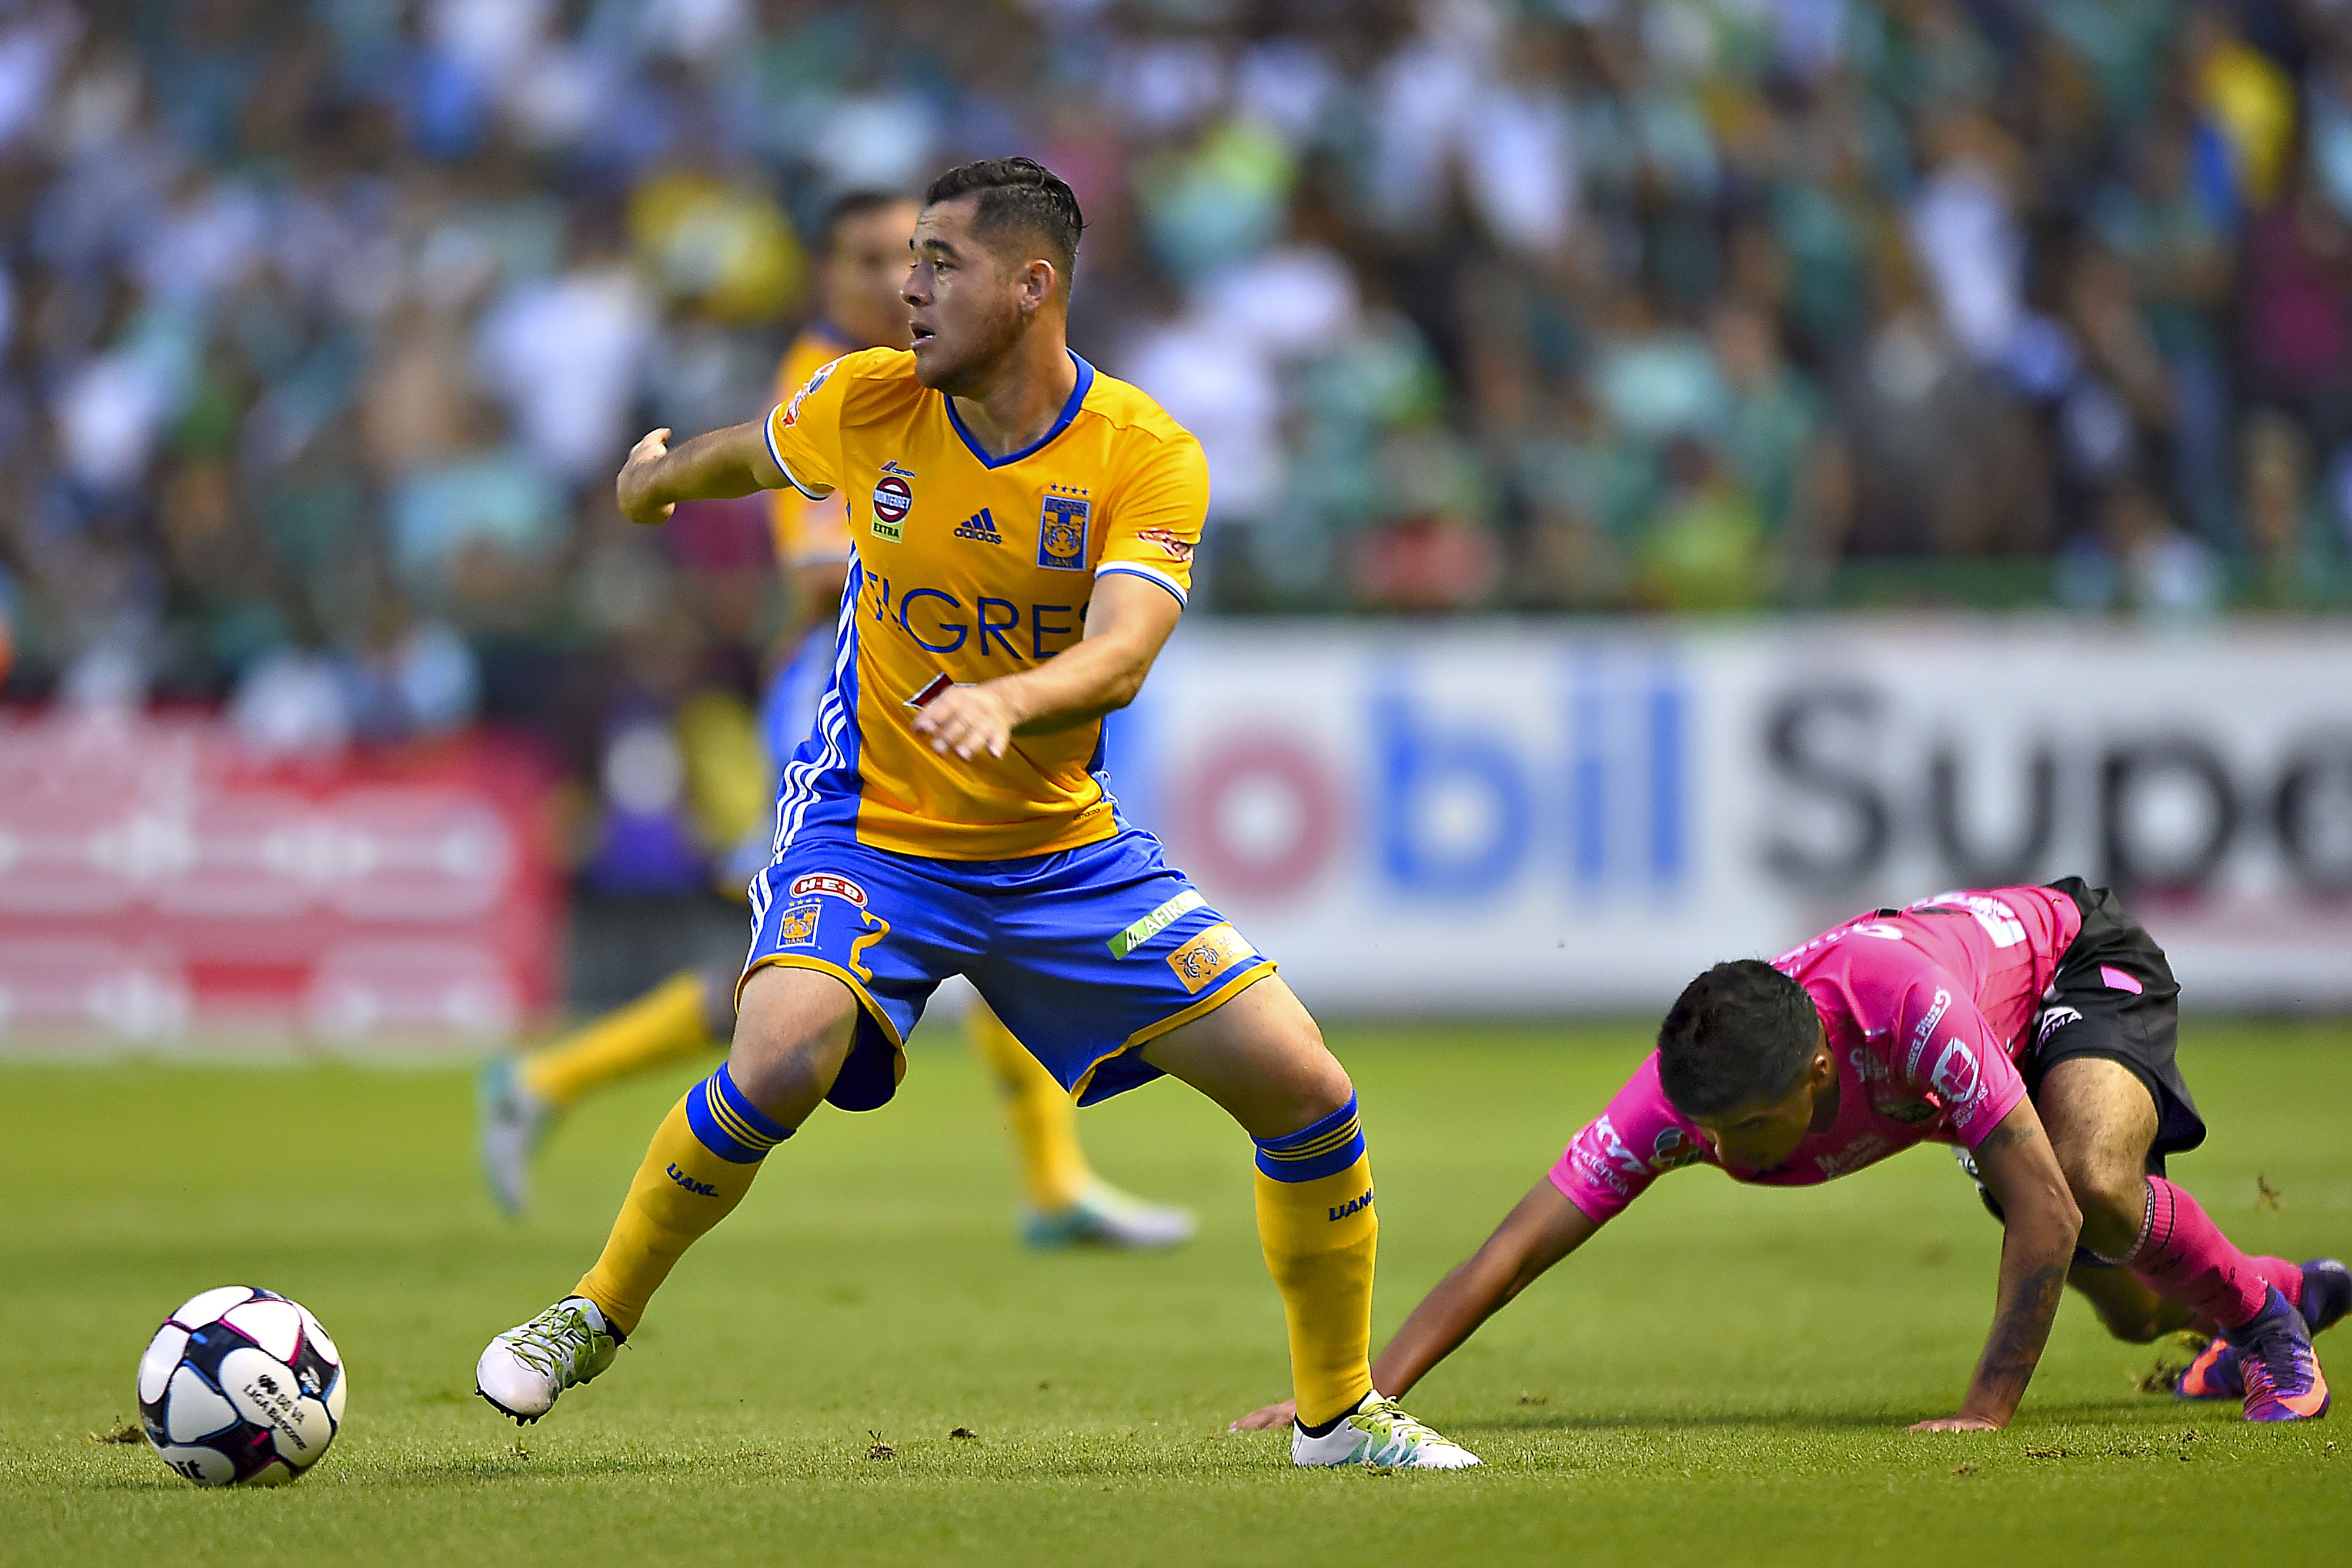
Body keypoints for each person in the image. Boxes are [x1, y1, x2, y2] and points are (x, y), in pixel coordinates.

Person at [473, 158, 1478, 1470]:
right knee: (779, 1052)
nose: (907, 287)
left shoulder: (1145, 453)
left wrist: (1015, 700)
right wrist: (654, 482)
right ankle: (592, 1313)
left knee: (1309, 1091)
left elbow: (1121, 652)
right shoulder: (867, 399)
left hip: (1058, 850)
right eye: (907, 261)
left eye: (939, 263)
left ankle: (1338, 1414)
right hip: (870, 825)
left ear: (1031, 284)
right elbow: (743, 456)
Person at [477, 190, 1194, 1253]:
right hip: (846, 700)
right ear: (827, 277)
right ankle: (548, 1078)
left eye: (920, 257)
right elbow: (818, 569)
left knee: (980, 893)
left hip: (932, 690)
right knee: (800, 975)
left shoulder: (962, 389)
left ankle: (1052, 1181)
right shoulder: (839, 384)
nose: (895, 282)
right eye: (872, 259)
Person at [1234, 881, 2342, 1433]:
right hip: (1987, 1044)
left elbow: (2047, 1217)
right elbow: (1514, 1251)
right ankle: (2280, 1285)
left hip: (2071, 964)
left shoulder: (1903, 1011)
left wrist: (1985, 1411)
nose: (1716, 1155)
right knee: (2137, 1309)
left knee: (2091, 1192)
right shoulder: (1689, 1094)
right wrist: (1353, 1397)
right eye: (1703, 1136)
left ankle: (2269, 1333)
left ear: (1819, 1077)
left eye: (1743, 1136)